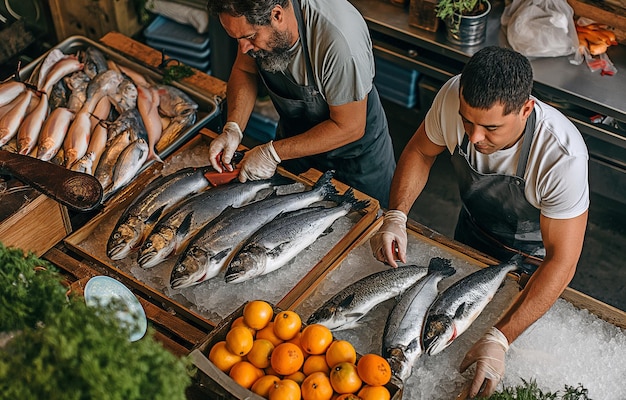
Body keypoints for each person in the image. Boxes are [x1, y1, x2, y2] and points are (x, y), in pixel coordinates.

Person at [370, 46, 589, 397]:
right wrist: (396, 215)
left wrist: (501, 338)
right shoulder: (452, 96)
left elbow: (562, 261)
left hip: (534, 259)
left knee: (496, 358)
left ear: (526, 109)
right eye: (467, 122)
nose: (474, 137)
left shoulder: (561, 156)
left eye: (491, 127)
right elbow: (421, 151)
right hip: (471, 229)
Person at [205, 0, 396, 207]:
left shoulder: (339, 42)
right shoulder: (254, 21)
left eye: (250, 37)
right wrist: (233, 127)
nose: (243, 48)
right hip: (293, 141)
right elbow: (245, 71)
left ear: (277, 15)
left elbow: (350, 127)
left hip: (355, 159)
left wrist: (272, 153)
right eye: (238, 39)